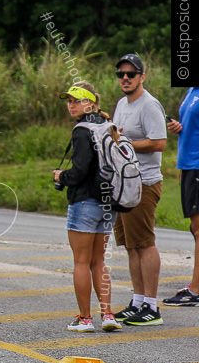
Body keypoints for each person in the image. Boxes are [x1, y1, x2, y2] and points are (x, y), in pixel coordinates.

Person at [52, 82, 121, 333]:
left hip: (84, 202)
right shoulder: (107, 125)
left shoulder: (82, 130)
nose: (71, 105)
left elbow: (80, 171)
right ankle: (108, 314)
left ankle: (85, 319)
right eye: (69, 101)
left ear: (90, 102)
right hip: (108, 203)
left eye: (77, 100)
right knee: (99, 261)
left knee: (81, 261)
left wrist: (62, 177)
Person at [110, 54, 167, 325]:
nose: (125, 78)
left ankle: (152, 307)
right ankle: (138, 300)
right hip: (123, 184)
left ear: (142, 76)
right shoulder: (122, 103)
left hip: (144, 182)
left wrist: (126, 142)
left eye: (131, 74)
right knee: (130, 245)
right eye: (121, 74)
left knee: (145, 243)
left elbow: (159, 143)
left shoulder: (149, 105)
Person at [165, 87, 199, 306]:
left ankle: (195, 290)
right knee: (194, 230)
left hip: (197, 164)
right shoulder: (191, 90)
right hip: (188, 164)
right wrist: (179, 128)